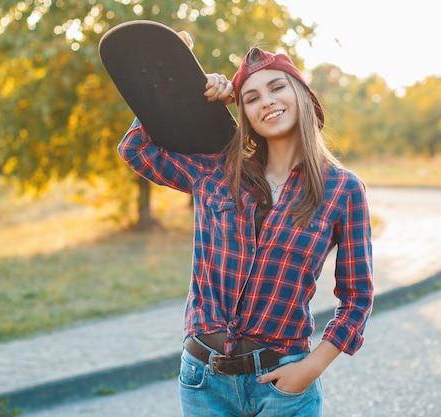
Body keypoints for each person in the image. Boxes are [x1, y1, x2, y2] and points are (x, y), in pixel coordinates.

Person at [118, 46, 374, 416]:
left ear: (301, 94)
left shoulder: (343, 190)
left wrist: (310, 368)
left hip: (283, 387)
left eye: (277, 88)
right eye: (252, 97)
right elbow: (135, 148)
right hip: (203, 382)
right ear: (245, 114)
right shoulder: (217, 172)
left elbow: (357, 298)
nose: (266, 102)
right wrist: (187, 89)